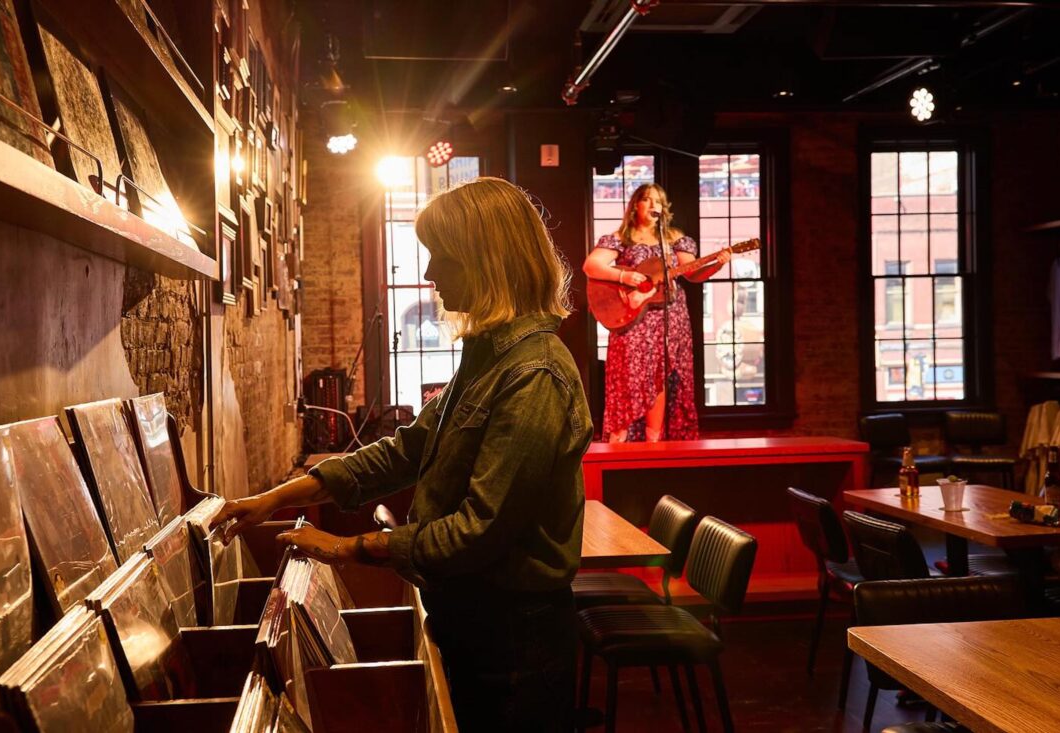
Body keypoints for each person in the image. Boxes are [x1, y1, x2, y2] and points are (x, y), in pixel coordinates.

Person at [210, 177, 592, 732]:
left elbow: (480, 530)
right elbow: (402, 452)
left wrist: (350, 546)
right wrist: (272, 499)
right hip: (480, 625)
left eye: (442, 256)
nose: (432, 272)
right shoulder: (489, 358)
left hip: (514, 639)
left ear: (484, 260)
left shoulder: (533, 373)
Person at [583, 183, 730, 442]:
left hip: (669, 317)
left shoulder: (674, 240)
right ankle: (620, 446)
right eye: (647, 200)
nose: (653, 206)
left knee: (661, 377)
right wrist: (625, 276)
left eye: (658, 202)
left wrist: (715, 265)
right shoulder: (621, 238)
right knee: (629, 377)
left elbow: (692, 273)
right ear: (635, 206)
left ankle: (654, 445)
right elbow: (591, 265)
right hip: (632, 319)